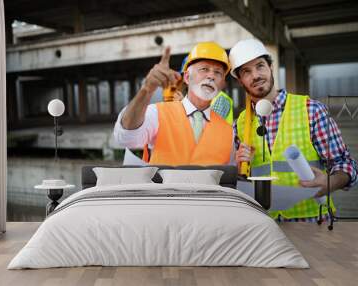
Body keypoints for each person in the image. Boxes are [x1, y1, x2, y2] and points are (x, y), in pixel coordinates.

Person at [230, 38, 358, 221]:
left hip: (314, 223)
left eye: (260, 66)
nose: (256, 75)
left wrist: (329, 182)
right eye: (246, 72)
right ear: (240, 81)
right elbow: (241, 184)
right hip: (265, 227)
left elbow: (346, 164)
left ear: (271, 68)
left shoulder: (311, 110)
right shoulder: (240, 125)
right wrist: (239, 168)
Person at [114, 42, 233, 165]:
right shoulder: (158, 114)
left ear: (222, 84)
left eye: (218, 72)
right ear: (186, 77)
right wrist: (147, 89)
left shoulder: (229, 133)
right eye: (204, 69)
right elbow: (127, 137)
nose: (211, 76)